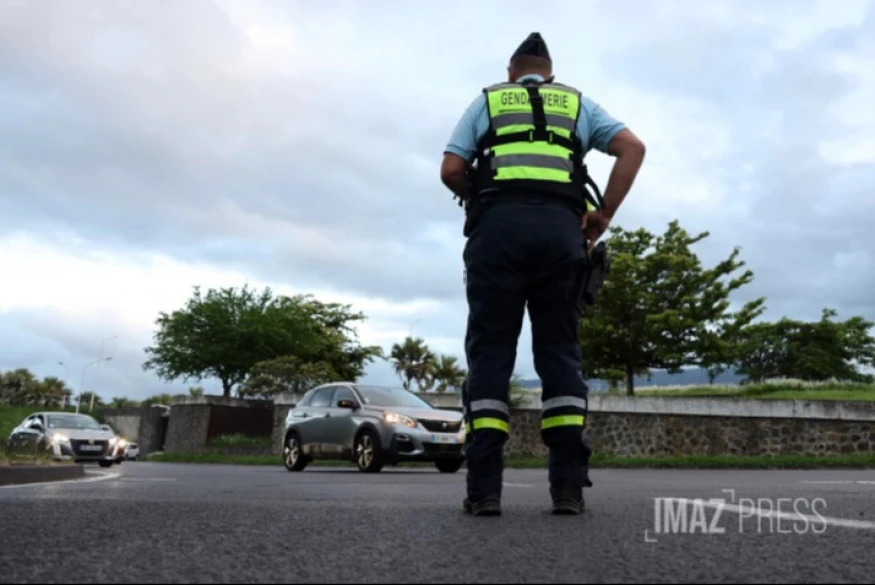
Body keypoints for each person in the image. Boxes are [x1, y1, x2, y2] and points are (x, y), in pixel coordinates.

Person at [440, 32, 645, 516]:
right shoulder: (576, 104)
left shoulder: (489, 100)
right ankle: (568, 490)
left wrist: (480, 198)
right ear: (549, 74)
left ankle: (485, 491)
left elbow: (451, 169)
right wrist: (602, 215)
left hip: (497, 235)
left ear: (512, 72)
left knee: (491, 353)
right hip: (561, 236)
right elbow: (632, 148)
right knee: (559, 354)